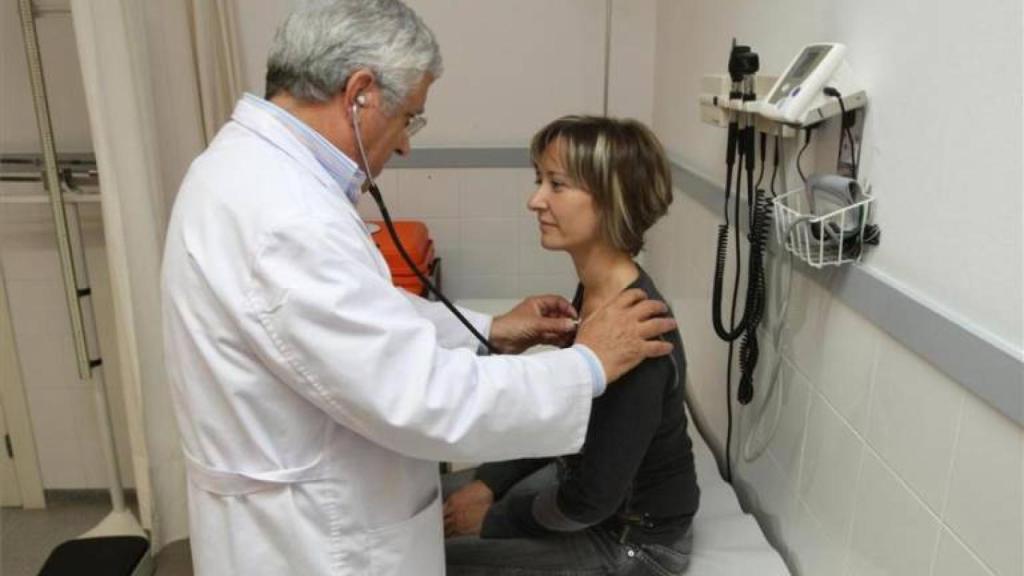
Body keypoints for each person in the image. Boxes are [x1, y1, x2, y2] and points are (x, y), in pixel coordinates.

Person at [160, 2, 678, 575]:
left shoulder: (250, 175)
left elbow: (360, 318)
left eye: (557, 184)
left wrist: (489, 332)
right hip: (312, 536)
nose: (407, 143)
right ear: (360, 93)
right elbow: (416, 393)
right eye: (410, 117)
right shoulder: (284, 214)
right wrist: (584, 368)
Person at [442, 116, 700, 576]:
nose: (534, 200)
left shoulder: (638, 334)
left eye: (556, 184)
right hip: (582, 487)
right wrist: (488, 481)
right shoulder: (599, 292)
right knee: (420, 504)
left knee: (421, 559)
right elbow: (568, 412)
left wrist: (493, 518)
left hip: (630, 542)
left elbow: (588, 503)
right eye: (539, 180)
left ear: (611, 199)